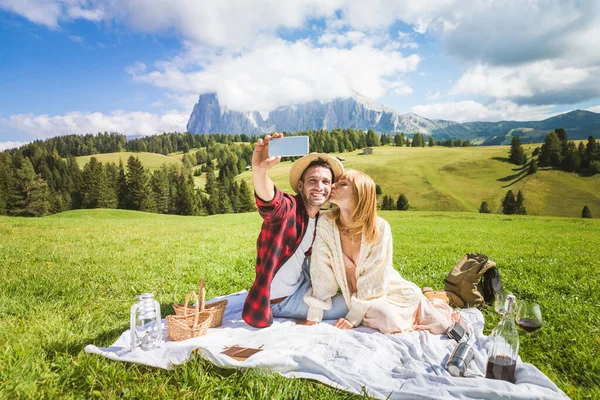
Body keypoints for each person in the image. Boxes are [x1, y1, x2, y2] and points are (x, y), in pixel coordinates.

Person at [303, 169, 460, 334]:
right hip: (367, 301)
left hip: (386, 289)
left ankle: (431, 302)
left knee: (443, 326)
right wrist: (314, 315)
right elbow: (322, 271)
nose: (332, 185)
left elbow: (375, 278)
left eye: (342, 184)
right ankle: (421, 309)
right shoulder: (326, 223)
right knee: (386, 319)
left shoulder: (380, 228)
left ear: (359, 194)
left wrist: (353, 318)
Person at [242, 133, 349, 328]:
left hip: (303, 281)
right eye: (313, 181)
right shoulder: (287, 209)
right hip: (283, 300)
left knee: (359, 292)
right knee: (351, 305)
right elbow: (270, 200)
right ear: (300, 186)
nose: (320, 187)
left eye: (325, 182)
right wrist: (259, 171)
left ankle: (402, 292)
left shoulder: (318, 220)